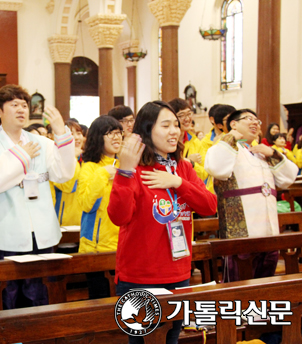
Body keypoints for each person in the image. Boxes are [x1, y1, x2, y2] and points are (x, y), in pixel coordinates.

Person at [108, 101, 217, 344]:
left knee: (172, 339)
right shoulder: (133, 169)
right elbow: (119, 216)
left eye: (176, 125)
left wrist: (178, 183)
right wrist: (124, 172)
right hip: (140, 275)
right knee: (142, 340)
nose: (174, 131)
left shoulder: (183, 168)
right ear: (147, 130)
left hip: (178, 271)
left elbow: (209, 206)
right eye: (165, 125)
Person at [0, 84, 75, 309]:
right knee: (3, 300)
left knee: (39, 297)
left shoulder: (41, 143)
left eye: (24, 105)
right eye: (14, 104)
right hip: (2, 235)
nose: (21, 109)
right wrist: (21, 155)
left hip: (40, 233)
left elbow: (64, 174)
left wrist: (61, 133)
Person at [205, 109, 298, 282]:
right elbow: (217, 167)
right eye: (249, 119)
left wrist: (272, 153)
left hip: (269, 232)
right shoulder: (224, 148)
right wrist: (231, 137)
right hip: (241, 234)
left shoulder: (261, 152)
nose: (255, 123)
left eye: (257, 120)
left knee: (264, 285)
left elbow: (288, 178)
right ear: (233, 124)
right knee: (239, 287)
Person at [77, 116, 123, 299]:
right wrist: (102, 174)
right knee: (100, 300)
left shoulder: (125, 166)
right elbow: (86, 204)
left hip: (124, 246)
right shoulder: (89, 168)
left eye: (119, 133)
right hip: (97, 248)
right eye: (110, 133)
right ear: (97, 137)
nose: (116, 137)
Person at [52, 120, 83, 227]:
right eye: (71, 134)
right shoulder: (56, 161)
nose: (77, 137)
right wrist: (71, 157)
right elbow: (68, 186)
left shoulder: (87, 159)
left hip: (84, 225)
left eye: (79, 133)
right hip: (64, 225)